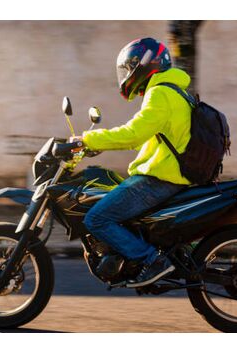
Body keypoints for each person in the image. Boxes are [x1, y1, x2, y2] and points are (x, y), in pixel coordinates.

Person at [75, 38, 193, 287]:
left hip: (160, 179)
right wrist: (99, 145)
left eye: (130, 67)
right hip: (170, 176)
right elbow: (150, 139)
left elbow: (133, 134)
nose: (127, 74)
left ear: (145, 64)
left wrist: (87, 140)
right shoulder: (176, 91)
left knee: (97, 219)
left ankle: (151, 260)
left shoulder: (160, 93)